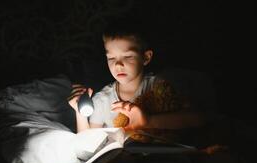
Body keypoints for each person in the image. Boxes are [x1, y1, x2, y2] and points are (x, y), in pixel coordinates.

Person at [68, 17, 205, 134]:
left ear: (145, 57)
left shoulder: (161, 86)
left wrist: (149, 121)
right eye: (111, 58)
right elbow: (87, 142)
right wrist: (79, 112)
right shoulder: (102, 100)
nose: (118, 65)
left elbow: (197, 119)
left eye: (128, 57)